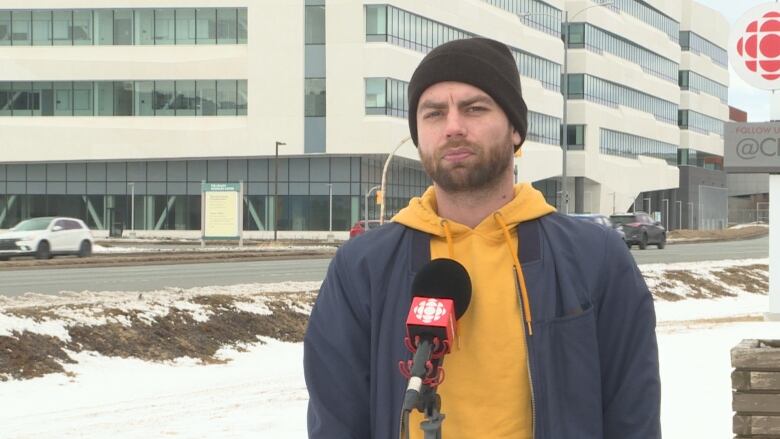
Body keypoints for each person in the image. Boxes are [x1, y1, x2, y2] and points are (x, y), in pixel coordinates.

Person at [304, 37, 661, 439]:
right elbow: (337, 421)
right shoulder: (363, 267)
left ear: (515, 130)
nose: (453, 127)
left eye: (474, 108)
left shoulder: (595, 257)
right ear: (418, 135)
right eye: (434, 113)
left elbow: (633, 416)